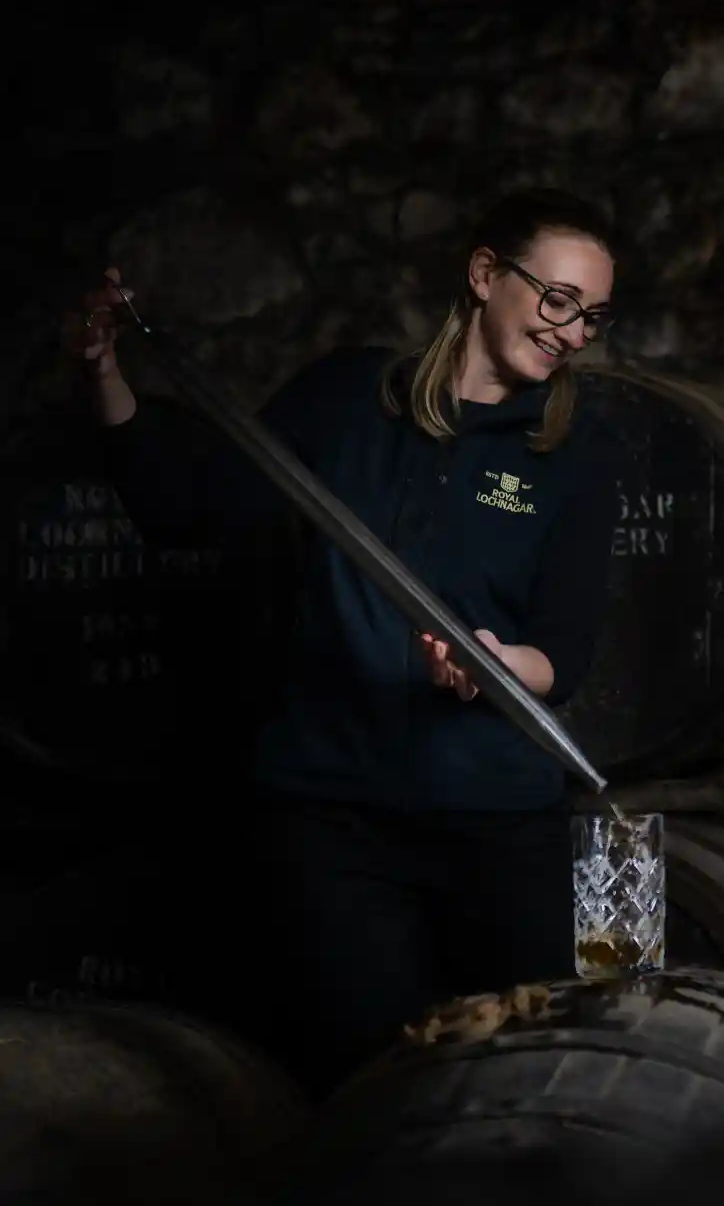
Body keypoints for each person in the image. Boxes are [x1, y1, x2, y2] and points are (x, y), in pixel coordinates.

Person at [61, 187, 623, 1098]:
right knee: (363, 1083)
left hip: (495, 819)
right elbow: (200, 506)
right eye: (557, 299)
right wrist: (103, 375)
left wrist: (497, 664)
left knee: (528, 1082)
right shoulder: (346, 400)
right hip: (332, 816)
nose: (571, 330)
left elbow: (564, 649)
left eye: (591, 315)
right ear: (485, 275)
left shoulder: (576, 456)